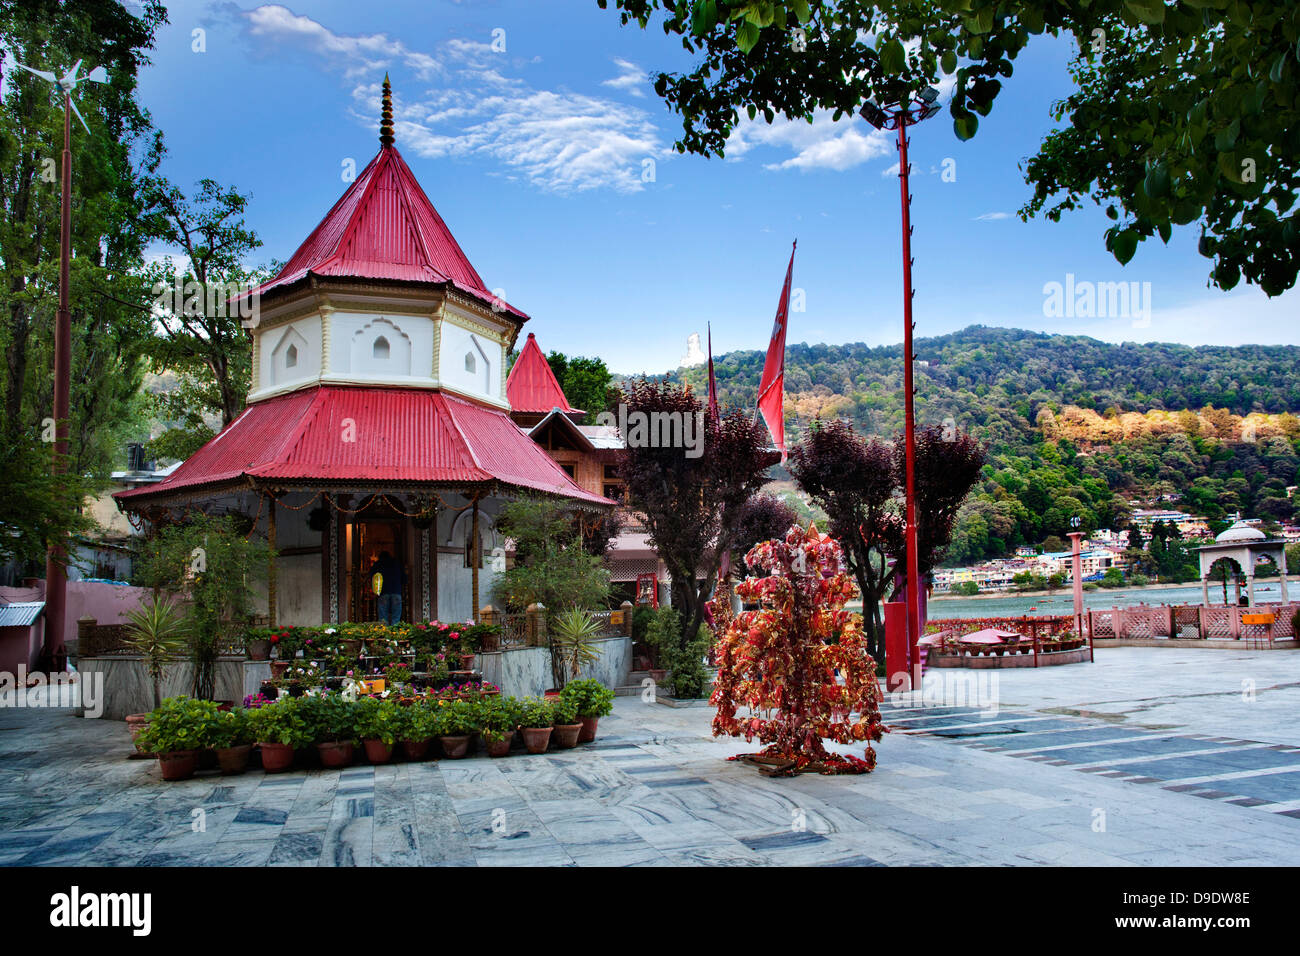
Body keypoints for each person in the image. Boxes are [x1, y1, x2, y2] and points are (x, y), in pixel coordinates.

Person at [368, 549, 406, 625]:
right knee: (396, 616)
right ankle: (395, 633)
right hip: (396, 592)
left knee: (383, 617)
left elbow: (372, 576)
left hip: (383, 592)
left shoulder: (378, 564)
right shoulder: (397, 563)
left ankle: (385, 633)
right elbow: (404, 578)